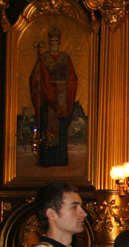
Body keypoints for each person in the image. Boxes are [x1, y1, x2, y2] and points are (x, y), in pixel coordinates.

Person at [29, 28, 78, 167]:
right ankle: (46, 159)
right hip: (46, 100)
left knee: (60, 130)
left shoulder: (65, 59)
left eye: (56, 41)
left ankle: (60, 159)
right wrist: (38, 81)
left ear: (60, 42)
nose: (54, 43)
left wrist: (64, 87)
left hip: (62, 100)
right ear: (49, 42)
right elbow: (34, 79)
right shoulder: (43, 59)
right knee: (46, 128)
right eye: (52, 41)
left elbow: (73, 79)